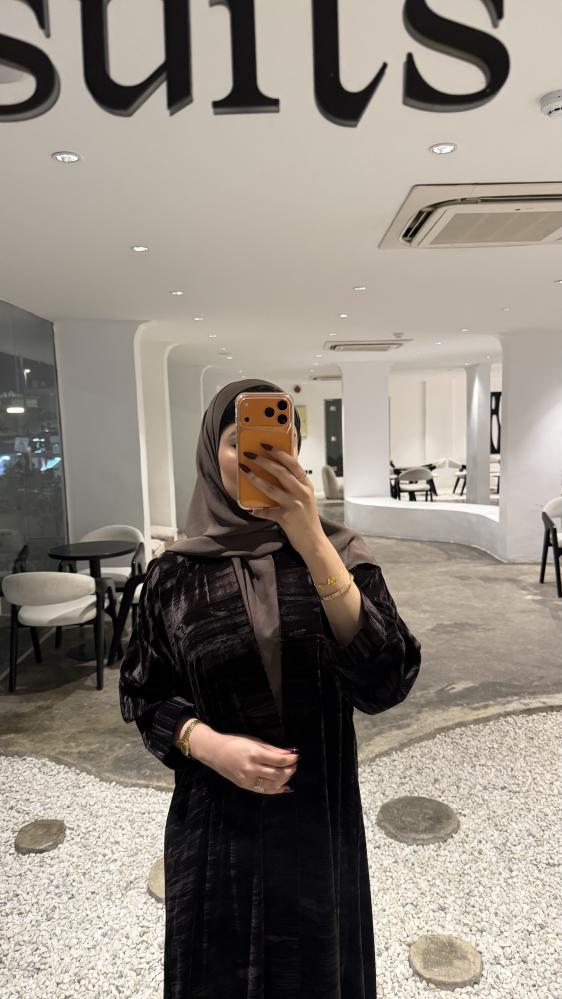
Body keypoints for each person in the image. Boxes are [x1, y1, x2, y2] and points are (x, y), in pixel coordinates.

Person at [119, 378, 422, 999]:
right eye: (239, 442)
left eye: (276, 442)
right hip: (217, 828)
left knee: (318, 971)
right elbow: (143, 694)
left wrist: (310, 539)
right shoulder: (175, 575)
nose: (258, 458)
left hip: (319, 821)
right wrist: (208, 744)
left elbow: (387, 680)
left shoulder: (342, 554)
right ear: (212, 455)